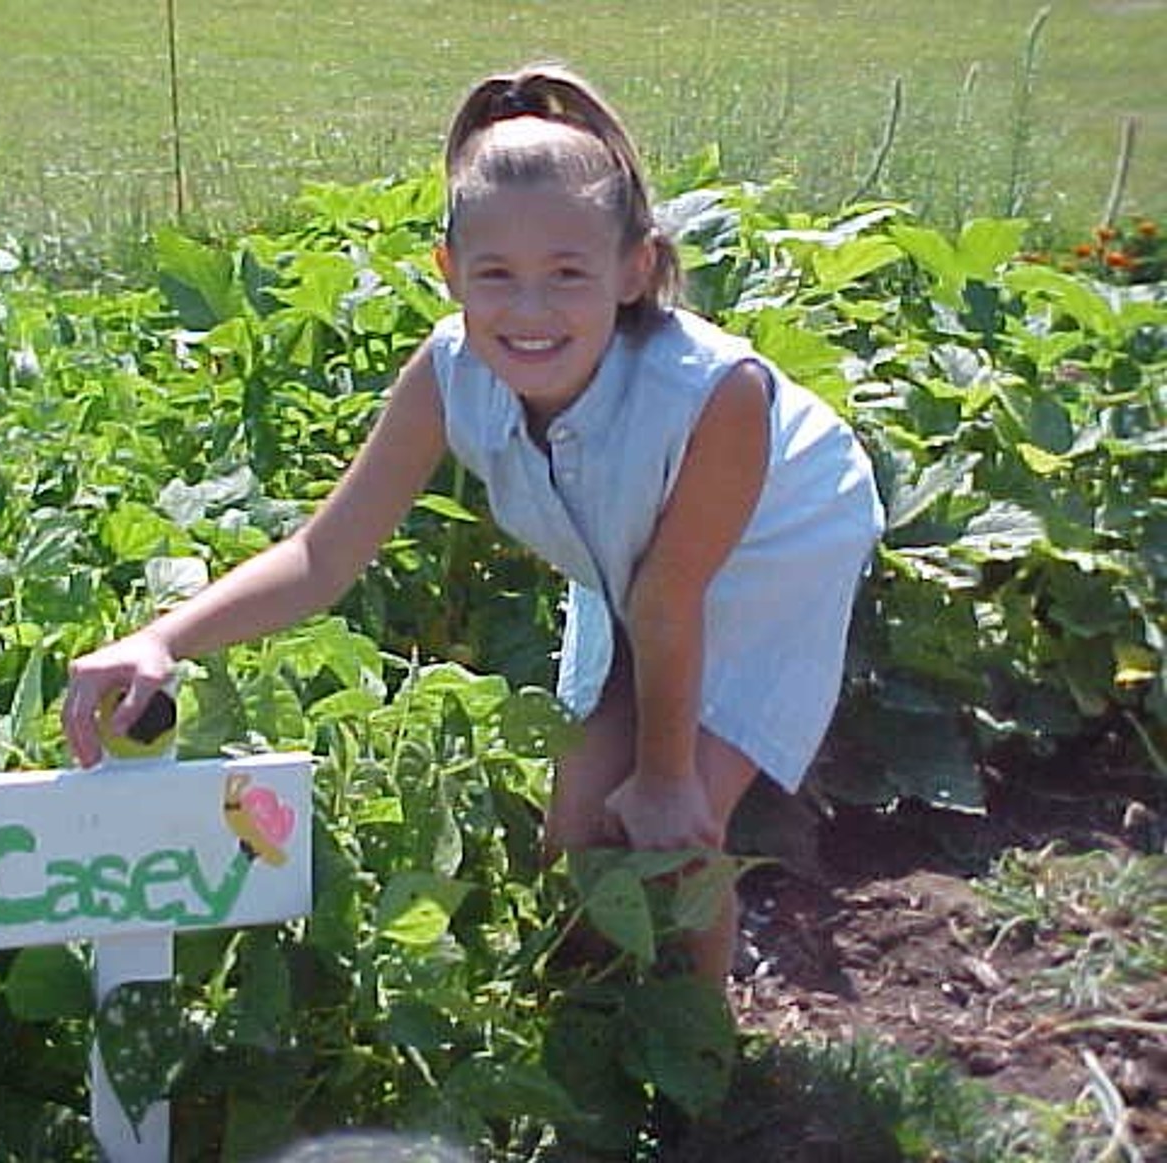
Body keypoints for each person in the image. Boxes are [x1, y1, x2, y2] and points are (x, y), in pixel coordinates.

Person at [61, 63, 883, 986]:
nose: (529, 311)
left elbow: (669, 597)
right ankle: (583, 1015)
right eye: (496, 275)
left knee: (676, 823)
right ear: (448, 271)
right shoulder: (451, 368)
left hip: (774, 539)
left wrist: (664, 775)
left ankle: (710, 1060)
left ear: (634, 267)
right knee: (577, 818)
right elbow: (321, 555)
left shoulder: (713, 395)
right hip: (633, 552)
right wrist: (162, 638)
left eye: (567, 274)